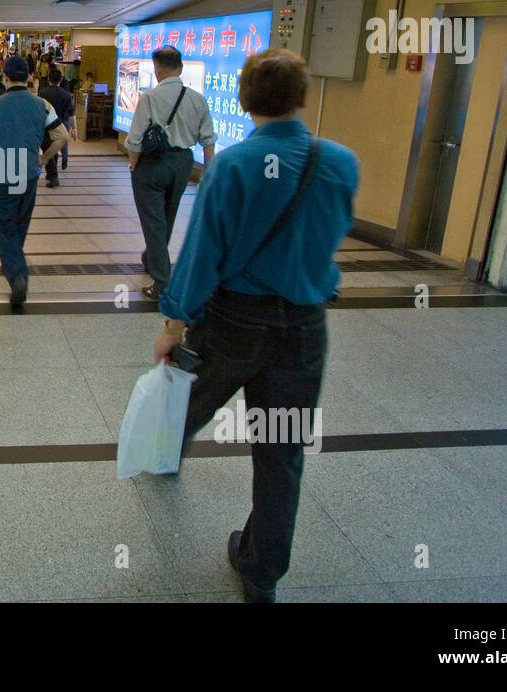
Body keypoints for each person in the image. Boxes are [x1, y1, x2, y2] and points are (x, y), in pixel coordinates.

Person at [153, 49, 359, 603]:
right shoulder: (340, 162)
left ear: (243, 101)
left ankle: (164, 451)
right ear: (302, 97)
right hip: (305, 329)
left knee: (194, 399)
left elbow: (202, 254)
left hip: (234, 320)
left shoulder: (234, 165)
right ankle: (261, 571)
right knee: (282, 451)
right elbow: (331, 235)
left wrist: (174, 322)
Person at [126, 46, 217, 300]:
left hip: (153, 164)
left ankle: (162, 282)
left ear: (158, 69)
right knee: (167, 214)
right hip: (183, 162)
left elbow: (134, 140)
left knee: (153, 221)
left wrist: (134, 164)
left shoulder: (150, 98)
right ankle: (152, 257)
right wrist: (207, 173)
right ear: (181, 67)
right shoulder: (197, 99)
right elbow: (208, 139)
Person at [0, 56, 68, 307]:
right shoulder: (43, 104)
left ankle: (18, 275)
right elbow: (62, 136)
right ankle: (16, 262)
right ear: (28, 77)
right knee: (20, 223)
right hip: (29, 174)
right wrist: (43, 159)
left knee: (3, 223)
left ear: (5, 78)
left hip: (4, 173)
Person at [37, 68, 76, 188]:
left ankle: (53, 176)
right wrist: (74, 128)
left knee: (48, 148)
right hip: (62, 122)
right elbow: (71, 113)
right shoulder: (66, 95)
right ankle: (62, 159)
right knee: (59, 145)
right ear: (61, 79)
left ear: (48, 79)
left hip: (47, 125)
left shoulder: (43, 93)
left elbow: (39, 110)